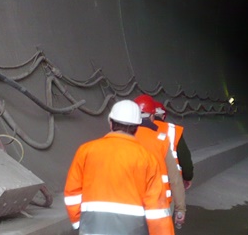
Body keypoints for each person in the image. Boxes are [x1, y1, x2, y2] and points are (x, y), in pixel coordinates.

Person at [64, 100, 172, 234]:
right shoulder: (148, 159)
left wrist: (80, 224)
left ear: (110, 122)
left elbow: (72, 193)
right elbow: (157, 209)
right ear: (137, 127)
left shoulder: (86, 151)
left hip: (92, 229)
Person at [134, 95, 187, 229]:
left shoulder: (122, 138)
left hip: (129, 203)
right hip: (158, 204)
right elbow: (174, 178)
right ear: (152, 116)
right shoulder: (161, 140)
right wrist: (180, 208)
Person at [148, 98, 194, 189]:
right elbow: (184, 157)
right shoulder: (174, 130)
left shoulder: (138, 129)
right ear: (163, 116)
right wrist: (187, 177)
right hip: (170, 181)